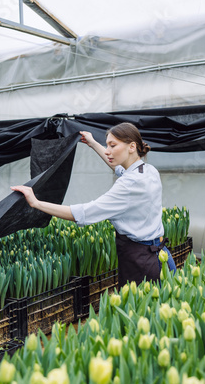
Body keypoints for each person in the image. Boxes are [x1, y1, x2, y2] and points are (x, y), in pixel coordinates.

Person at [11, 122, 176, 288]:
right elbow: (117, 167)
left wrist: (36, 203)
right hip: (160, 256)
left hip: (143, 263)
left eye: (113, 145)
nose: (107, 151)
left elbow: (83, 213)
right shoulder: (147, 170)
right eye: (106, 145)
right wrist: (92, 143)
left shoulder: (128, 185)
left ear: (132, 146)